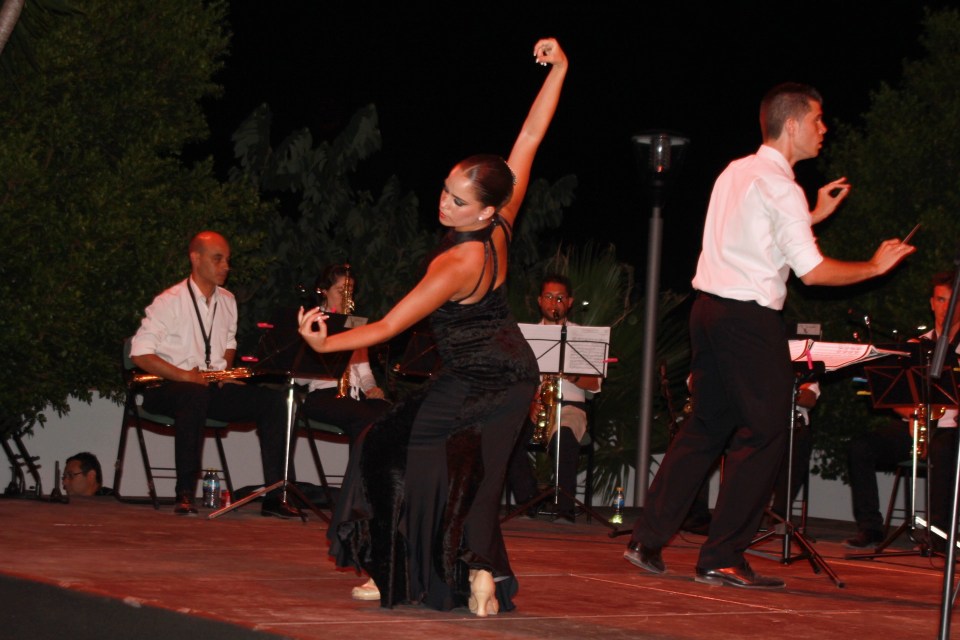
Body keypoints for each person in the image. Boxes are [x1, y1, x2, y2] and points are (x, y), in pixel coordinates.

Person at [298, 38, 567, 616]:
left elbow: (392, 323)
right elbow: (529, 137)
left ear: (486, 210)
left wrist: (326, 341)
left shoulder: (457, 263)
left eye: (458, 201)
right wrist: (560, 70)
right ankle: (476, 575)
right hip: (516, 372)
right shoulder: (502, 221)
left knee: (387, 446)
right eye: (446, 191)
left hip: (479, 375)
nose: (444, 205)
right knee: (470, 474)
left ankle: (396, 567)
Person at [623, 82, 915, 589]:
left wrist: (813, 214)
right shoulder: (780, 187)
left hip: (709, 311)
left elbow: (761, 237)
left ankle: (647, 537)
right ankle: (723, 554)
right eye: (820, 120)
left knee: (706, 427)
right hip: (746, 319)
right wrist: (874, 265)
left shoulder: (738, 172)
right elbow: (813, 272)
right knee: (764, 433)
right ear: (795, 123)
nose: (824, 129)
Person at [129, 231, 298, 518]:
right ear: (195, 259)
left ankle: (274, 496)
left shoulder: (228, 300)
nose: (226, 266)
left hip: (206, 385)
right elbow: (140, 354)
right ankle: (184, 493)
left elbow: (229, 342)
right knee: (194, 396)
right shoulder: (169, 301)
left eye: (228, 260)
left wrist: (223, 372)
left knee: (274, 403)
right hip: (166, 387)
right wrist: (184, 376)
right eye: (218, 259)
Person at [845, 271, 960, 550]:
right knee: (860, 448)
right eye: (940, 300)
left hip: (952, 429)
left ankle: (938, 535)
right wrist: (912, 415)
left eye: (952, 301)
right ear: (932, 303)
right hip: (918, 425)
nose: (946, 307)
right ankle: (870, 527)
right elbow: (892, 393)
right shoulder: (915, 346)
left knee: (944, 451)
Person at [506, 273, 601, 522]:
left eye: (560, 298)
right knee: (507, 436)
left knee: (566, 437)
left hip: (570, 406)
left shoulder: (582, 336)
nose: (553, 302)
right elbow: (514, 380)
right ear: (540, 301)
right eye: (548, 297)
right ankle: (528, 501)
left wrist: (573, 376)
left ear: (569, 302)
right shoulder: (526, 335)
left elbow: (595, 384)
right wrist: (529, 403)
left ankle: (564, 508)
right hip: (535, 405)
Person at [298, 264, 391, 448]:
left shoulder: (355, 323)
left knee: (391, 416)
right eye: (341, 290)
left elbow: (364, 371)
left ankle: (376, 474)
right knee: (365, 418)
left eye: (350, 291)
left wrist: (372, 388)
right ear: (324, 290)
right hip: (324, 395)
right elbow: (299, 380)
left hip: (355, 395)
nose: (346, 297)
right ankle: (357, 476)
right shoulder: (312, 322)